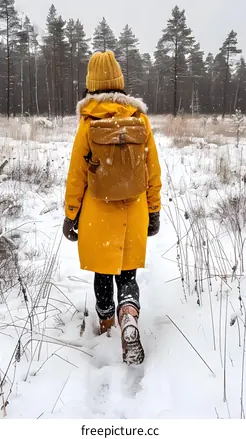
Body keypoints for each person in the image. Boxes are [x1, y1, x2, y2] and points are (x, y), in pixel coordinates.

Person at [62, 50, 162, 365]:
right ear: (119, 83)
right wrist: (154, 210)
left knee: (103, 276)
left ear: (91, 85)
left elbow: (77, 175)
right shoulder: (139, 119)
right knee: (127, 273)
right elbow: (152, 170)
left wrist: (70, 215)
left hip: (98, 214)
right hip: (133, 212)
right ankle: (129, 315)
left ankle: (107, 328)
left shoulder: (89, 123)